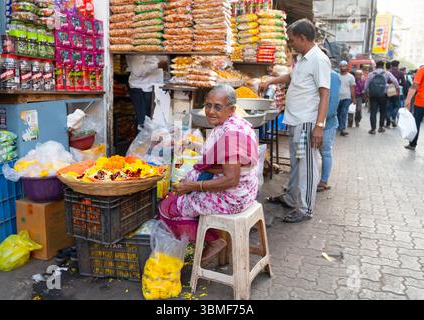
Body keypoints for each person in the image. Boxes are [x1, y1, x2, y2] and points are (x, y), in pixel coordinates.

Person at [159, 85, 260, 263]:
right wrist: (195, 149)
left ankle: (214, 241)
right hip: (245, 190)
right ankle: (209, 238)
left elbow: (231, 179)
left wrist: (193, 186)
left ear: (231, 109)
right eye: (208, 105)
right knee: (175, 195)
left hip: (234, 197)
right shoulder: (234, 123)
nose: (210, 111)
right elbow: (221, 159)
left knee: (168, 208)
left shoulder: (231, 135)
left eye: (217, 107)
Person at [260, 19, 331, 223]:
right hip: (295, 120)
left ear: (303, 38)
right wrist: (271, 81)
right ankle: (291, 198)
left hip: (307, 122)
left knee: (306, 166)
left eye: (292, 41)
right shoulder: (303, 58)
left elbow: (324, 94)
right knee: (296, 164)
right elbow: (292, 77)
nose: (291, 45)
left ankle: (306, 209)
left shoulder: (319, 59)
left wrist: (319, 127)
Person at [318, 51, 341, 192]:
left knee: (325, 151)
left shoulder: (332, 76)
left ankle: (324, 181)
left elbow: (332, 103)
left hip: (327, 123)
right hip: (316, 121)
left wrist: (320, 123)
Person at [126, 55, 167, 129]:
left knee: (152, 121)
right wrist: (158, 65)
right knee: (144, 122)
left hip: (151, 87)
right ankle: (142, 139)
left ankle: (148, 138)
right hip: (142, 88)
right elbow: (137, 70)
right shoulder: (138, 50)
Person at [364, 61, 400, 134]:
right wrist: (397, 89)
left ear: (376, 66)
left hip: (373, 95)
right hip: (383, 95)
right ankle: (381, 127)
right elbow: (395, 81)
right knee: (383, 111)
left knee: (373, 112)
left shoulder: (371, 74)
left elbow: (366, 84)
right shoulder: (387, 73)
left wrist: (365, 93)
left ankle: (373, 129)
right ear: (383, 66)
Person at [404, 65, 424, 151]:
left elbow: (415, 85)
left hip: (421, 102)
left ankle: (412, 144)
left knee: (416, 123)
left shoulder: (421, 70)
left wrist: (408, 100)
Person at [337, 61, 355, 136]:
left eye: (344, 66)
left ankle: (342, 129)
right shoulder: (336, 76)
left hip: (347, 98)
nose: (342, 68)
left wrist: (353, 98)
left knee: (343, 113)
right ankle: (338, 126)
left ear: (347, 67)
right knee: (337, 113)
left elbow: (352, 88)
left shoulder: (351, 77)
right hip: (337, 98)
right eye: (341, 66)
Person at [386, 60, 406, 128]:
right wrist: (398, 84)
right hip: (397, 90)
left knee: (388, 106)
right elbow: (404, 83)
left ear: (391, 65)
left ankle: (388, 123)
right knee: (396, 106)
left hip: (389, 88)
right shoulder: (401, 73)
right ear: (398, 66)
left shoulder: (388, 72)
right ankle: (393, 118)